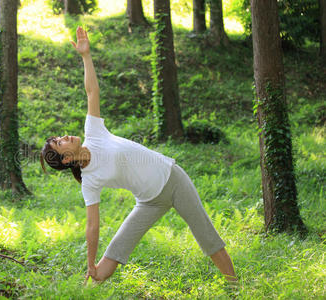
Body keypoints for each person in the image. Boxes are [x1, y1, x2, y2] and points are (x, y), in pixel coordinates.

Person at [40, 26, 237, 283]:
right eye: (59, 143)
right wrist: (90, 261)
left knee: (206, 236)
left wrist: (86, 56)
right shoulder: (89, 181)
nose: (64, 137)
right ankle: (86, 287)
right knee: (111, 256)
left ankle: (235, 288)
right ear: (66, 159)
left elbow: (92, 92)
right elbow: (92, 226)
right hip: (148, 201)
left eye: (60, 136)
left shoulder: (94, 132)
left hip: (172, 179)